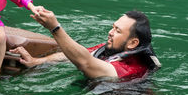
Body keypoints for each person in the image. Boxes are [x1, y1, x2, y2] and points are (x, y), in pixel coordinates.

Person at [10, 9, 160, 81]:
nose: (110, 32)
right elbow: (74, 55)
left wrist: (54, 28)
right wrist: (37, 62)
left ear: (133, 43)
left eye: (117, 31)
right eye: (113, 27)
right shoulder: (112, 48)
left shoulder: (129, 70)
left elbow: (84, 63)